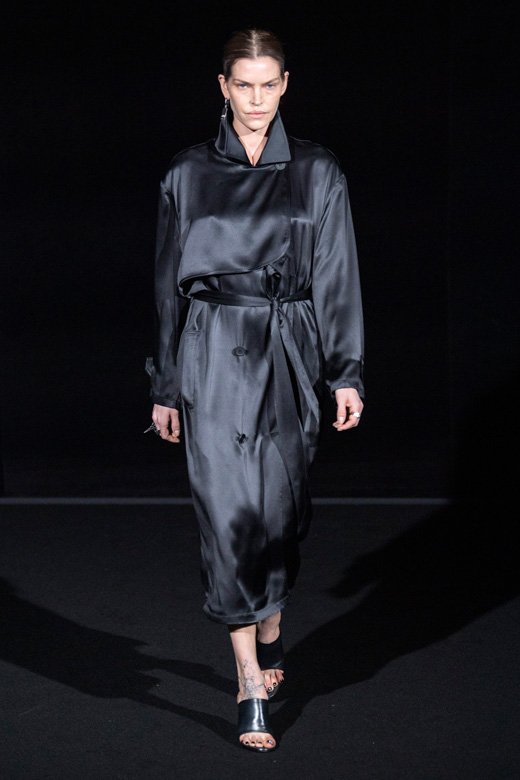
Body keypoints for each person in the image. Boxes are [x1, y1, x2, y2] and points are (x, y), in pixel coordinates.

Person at [146, 27, 365, 752]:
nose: (257, 99)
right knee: (228, 513)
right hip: (212, 347)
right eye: (244, 84)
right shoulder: (186, 173)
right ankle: (248, 681)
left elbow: (336, 273)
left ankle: (269, 619)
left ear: (286, 84)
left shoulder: (317, 170)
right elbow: (167, 288)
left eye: (269, 84)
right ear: (223, 87)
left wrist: (346, 370)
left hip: (288, 346)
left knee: (281, 515)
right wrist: (167, 384)